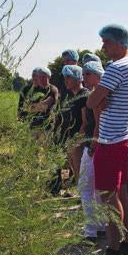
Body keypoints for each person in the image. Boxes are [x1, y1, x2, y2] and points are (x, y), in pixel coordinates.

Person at [87, 24, 128, 255]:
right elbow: (98, 100)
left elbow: (91, 101)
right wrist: (100, 99)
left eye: (106, 42)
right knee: (121, 194)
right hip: (126, 137)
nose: (103, 47)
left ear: (120, 43)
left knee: (107, 197)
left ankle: (114, 248)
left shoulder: (116, 68)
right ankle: (127, 242)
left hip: (111, 141)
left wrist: (98, 99)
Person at [78, 61, 106, 241]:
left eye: (88, 74)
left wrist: (93, 146)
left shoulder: (97, 95)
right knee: (97, 189)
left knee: (86, 188)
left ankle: (90, 231)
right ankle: (101, 226)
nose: (84, 78)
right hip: (99, 145)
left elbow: (98, 123)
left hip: (94, 147)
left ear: (97, 75)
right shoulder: (102, 94)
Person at [52, 65, 89, 194]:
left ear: (78, 78)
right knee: (72, 167)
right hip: (69, 137)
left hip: (78, 139)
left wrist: (77, 139)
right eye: (64, 77)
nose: (65, 81)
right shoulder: (70, 95)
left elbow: (85, 122)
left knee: (80, 170)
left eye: (69, 77)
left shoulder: (84, 95)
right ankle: (82, 197)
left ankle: (85, 199)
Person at [18, 67, 59, 134]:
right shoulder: (29, 89)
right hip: (31, 125)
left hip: (46, 126)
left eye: (43, 77)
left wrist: (28, 108)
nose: (39, 79)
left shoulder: (52, 89)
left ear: (48, 77)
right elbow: (21, 108)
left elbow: (43, 106)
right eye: (39, 76)